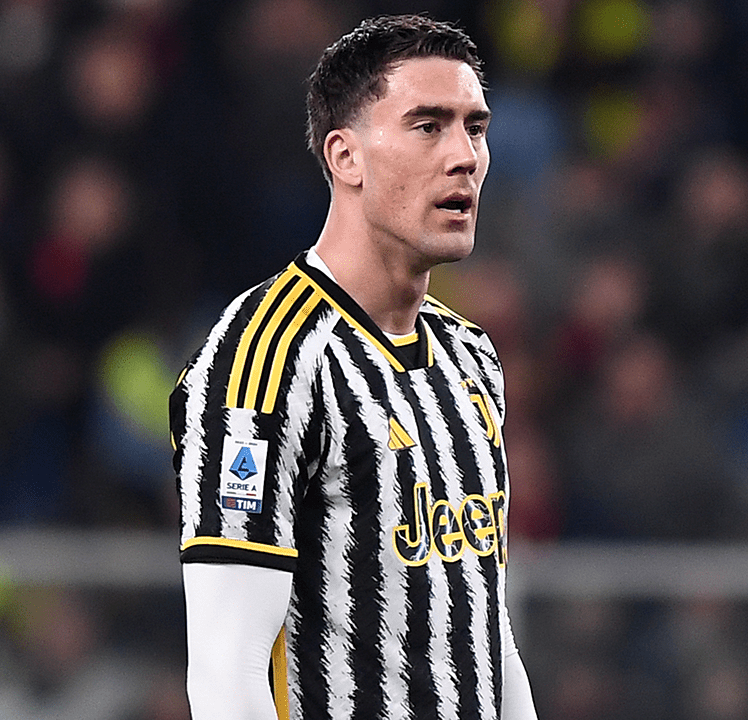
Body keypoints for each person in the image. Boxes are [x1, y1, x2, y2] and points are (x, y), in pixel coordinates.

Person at [169, 14, 539, 720]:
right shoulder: (263, 358)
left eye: (475, 128)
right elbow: (225, 672)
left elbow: (487, 634)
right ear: (346, 157)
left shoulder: (470, 355)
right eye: (428, 126)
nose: (464, 155)